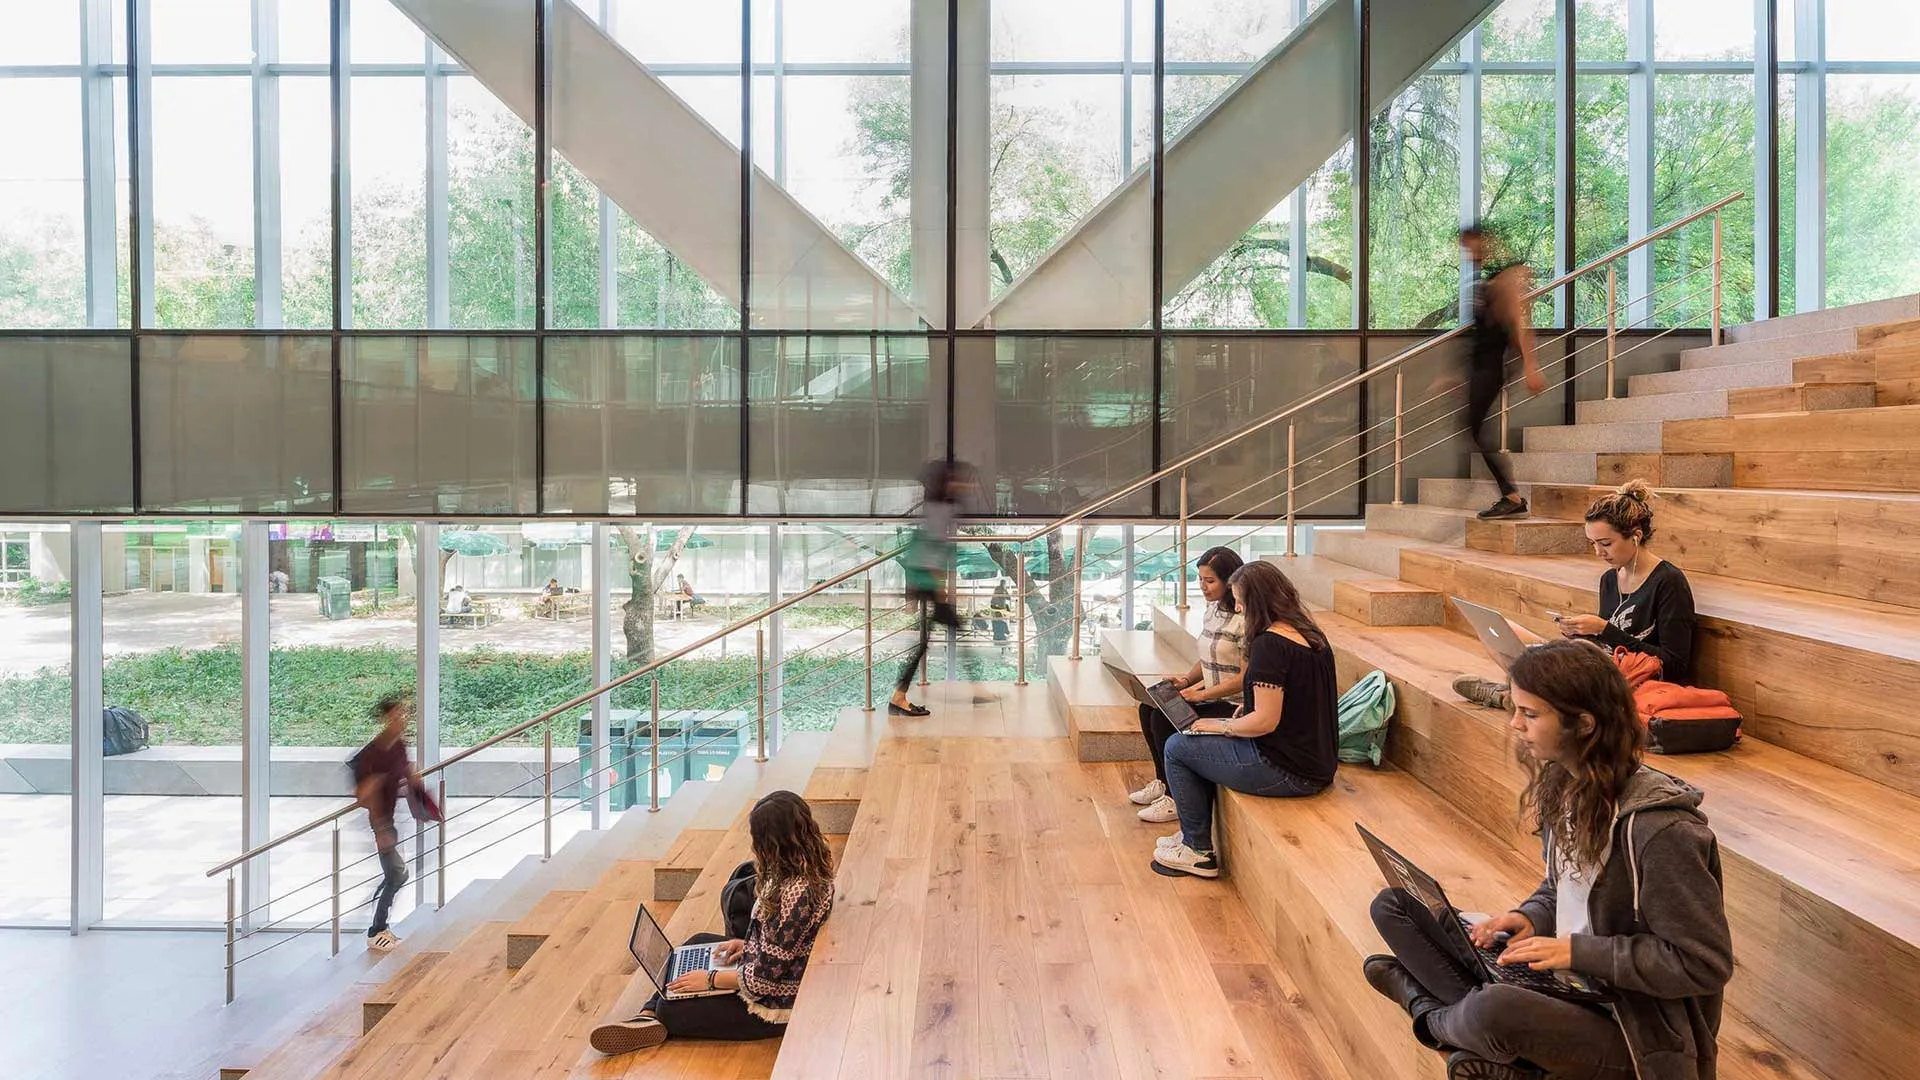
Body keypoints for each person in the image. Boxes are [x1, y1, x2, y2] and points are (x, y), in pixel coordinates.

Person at [1365, 641, 1732, 1080]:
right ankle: (1509, 1049)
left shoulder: (1663, 832)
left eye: (1531, 714)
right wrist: (1528, 918)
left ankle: (1428, 1012)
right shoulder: (1567, 785)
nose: (1515, 724)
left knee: (1494, 1010)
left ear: (1584, 724)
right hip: (1569, 982)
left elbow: (1703, 963)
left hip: (1634, 1026)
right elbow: (1562, 889)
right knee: (1396, 905)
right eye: (1516, 709)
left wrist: (1577, 952)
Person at [589, 791, 835, 1055]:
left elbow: (762, 982)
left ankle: (653, 1014)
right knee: (695, 943)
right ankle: (649, 1015)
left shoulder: (797, 893)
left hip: (776, 1002)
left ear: (772, 843)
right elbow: (786, 944)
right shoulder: (809, 864)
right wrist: (748, 945)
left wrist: (710, 979)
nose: (754, 848)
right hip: (776, 970)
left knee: (671, 1009)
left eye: (757, 840)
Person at [1153, 560, 1338, 879]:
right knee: (1194, 740)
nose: (1237, 609)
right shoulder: (1311, 635)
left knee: (1178, 747)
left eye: (1240, 601)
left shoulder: (1268, 645)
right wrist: (1245, 711)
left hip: (1287, 769)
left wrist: (1219, 726)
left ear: (1258, 601)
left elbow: (1265, 722)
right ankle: (1190, 833)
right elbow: (1300, 701)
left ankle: (1197, 850)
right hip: (1317, 762)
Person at [1454, 480, 1697, 712]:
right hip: (1596, 664)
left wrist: (1604, 629)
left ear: (1636, 536)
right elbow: (1604, 644)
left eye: (1605, 543)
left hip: (1633, 679)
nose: (1598, 553)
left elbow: (1674, 664)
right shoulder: (1610, 578)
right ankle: (1525, 697)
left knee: (1553, 661)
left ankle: (1509, 696)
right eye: (1593, 544)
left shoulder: (1668, 582)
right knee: (1499, 630)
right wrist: (1582, 631)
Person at [1127, 546, 1247, 825]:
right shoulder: (1212, 609)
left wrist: (1200, 694)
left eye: (1210, 581)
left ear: (1230, 582)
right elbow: (1207, 660)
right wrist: (1185, 681)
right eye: (1200, 580)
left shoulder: (1246, 619)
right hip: (1209, 693)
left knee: (1162, 718)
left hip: (1234, 704)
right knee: (1149, 706)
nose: (1203, 587)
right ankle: (1161, 781)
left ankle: (1173, 797)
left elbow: (1243, 677)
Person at [1459, 224, 1545, 521]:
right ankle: (1509, 494)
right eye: (1466, 249)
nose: (1470, 254)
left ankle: (1511, 496)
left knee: (1474, 428)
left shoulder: (1506, 277)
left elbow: (1520, 324)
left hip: (1492, 365)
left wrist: (1531, 366)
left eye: (1472, 246)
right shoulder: (1486, 280)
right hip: (1480, 364)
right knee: (1472, 428)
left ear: (1486, 242)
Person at [889, 461, 970, 717]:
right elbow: (932, 546)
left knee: (931, 638)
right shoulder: (941, 509)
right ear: (949, 482)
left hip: (923, 580)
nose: (967, 484)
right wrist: (941, 587)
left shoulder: (938, 505)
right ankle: (899, 696)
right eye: (961, 479)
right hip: (928, 582)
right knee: (940, 635)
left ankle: (900, 695)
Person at [350, 692, 425, 952]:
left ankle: (378, 921)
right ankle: (376, 930)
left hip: (390, 820)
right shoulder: (373, 753)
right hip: (380, 821)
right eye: (396, 715)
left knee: (396, 874)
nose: (402, 719)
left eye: (404, 714)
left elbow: (405, 774)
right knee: (397, 874)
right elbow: (363, 794)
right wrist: (381, 828)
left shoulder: (399, 746)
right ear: (385, 718)